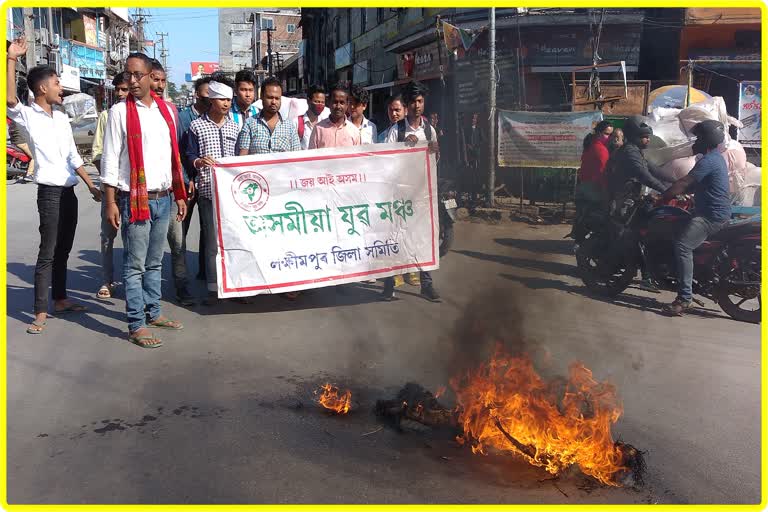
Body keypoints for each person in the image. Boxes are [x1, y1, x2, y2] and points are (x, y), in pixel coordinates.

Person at [6, 38, 102, 335]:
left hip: (69, 192)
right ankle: (39, 310)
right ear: (42, 88)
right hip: (48, 193)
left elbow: (73, 156)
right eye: (57, 82)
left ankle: (60, 299)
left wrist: (90, 186)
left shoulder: (61, 118)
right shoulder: (28, 115)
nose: (62, 88)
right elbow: (9, 100)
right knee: (47, 251)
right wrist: (11, 59)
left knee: (64, 249)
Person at [101, 52, 188, 349]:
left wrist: (178, 195)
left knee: (154, 263)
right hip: (133, 199)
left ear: (153, 77)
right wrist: (111, 202)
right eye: (128, 75)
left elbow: (171, 158)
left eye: (138, 75)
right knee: (134, 265)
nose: (132, 80)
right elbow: (110, 161)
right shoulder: (119, 112)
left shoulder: (167, 111)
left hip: (163, 198)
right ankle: (136, 324)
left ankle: (154, 312)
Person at [238, 77, 302, 301]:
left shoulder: (289, 127)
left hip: (282, 195)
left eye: (277, 98)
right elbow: (241, 159)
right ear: (261, 98)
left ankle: (286, 284)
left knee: (284, 241)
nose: (273, 101)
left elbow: (296, 162)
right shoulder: (250, 124)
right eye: (269, 97)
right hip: (255, 196)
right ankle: (252, 285)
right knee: (255, 242)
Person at [661, 120, 731, 316]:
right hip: (712, 212)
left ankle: (684, 298)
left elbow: (685, 182)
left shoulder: (708, 160)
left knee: (683, 245)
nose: (695, 142)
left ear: (707, 140)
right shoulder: (716, 158)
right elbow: (692, 184)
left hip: (711, 216)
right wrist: (675, 191)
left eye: (699, 138)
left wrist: (662, 197)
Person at [382, 80, 442, 303]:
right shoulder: (396, 131)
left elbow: (435, 160)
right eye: (413, 102)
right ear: (406, 106)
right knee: (394, 239)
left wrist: (435, 151)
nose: (417, 105)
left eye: (420, 101)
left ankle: (427, 285)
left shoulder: (429, 129)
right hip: (399, 197)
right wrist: (402, 147)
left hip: (422, 195)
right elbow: (385, 161)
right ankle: (388, 286)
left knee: (423, 240)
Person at [184, 80, 241, 306]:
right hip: (208, 192)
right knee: (211, 242)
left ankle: (235, 284)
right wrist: (198, 162)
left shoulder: (235, 127)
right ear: (211, 100)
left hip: (232, 194)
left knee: (233, 239)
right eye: (221, 99)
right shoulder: (197, 126)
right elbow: (189, 154)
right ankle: (213, 288)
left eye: (228, 100)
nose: (226, 104)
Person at [148, 60, 194, 305]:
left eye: (163, 80)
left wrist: (182, 185)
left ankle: (182, 288)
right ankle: (148, 300)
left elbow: (177, 151)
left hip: (170, 189)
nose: (159, 85)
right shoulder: (128, 112)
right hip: (144, 191)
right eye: (155, 79)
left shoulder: (170, 111)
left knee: (178, 244)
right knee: (148, 251)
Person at [92, 74, 130, 300]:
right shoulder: (107, 116)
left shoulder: (145, 116)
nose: (120, 93)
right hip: (112, 188)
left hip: (136, 188)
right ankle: (107, 280)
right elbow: (98, 154)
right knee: (108, 236)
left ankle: (133, 281)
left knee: (133, 238)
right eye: (118, 89)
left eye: (124, 89)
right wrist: (110, 183)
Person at [178, 76, 211, 282]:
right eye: (207, 94)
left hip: (207, 182)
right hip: (187, 182)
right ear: (197, 94)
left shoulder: (215, 117)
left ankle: (204, 271)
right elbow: (179, 152)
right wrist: (186, 177)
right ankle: (180, 275)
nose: (211, 99)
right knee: (182, 229)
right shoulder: (183, 118)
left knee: (207, 229)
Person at [308, 84, 360, 149]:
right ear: (329, 103)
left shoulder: (354, 131)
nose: (338, 106)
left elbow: (357, 158)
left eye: (342, 103)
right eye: (335, 102)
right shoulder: (318, 129)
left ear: (347, 104)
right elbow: (312, 157)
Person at [577, 120, 613, 194]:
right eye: (606, 134)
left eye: (610, 134)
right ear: (599, 133)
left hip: (583, 186)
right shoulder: (601, 150)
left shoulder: (589, 144)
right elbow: (603, 172)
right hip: (595, 189)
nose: (609, 137)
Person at [298, 84, 330, 150]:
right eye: (316, 101)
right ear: (308, 101)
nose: (320, 105)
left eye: (322, 102)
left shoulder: (325, 123)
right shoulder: (297, 123)